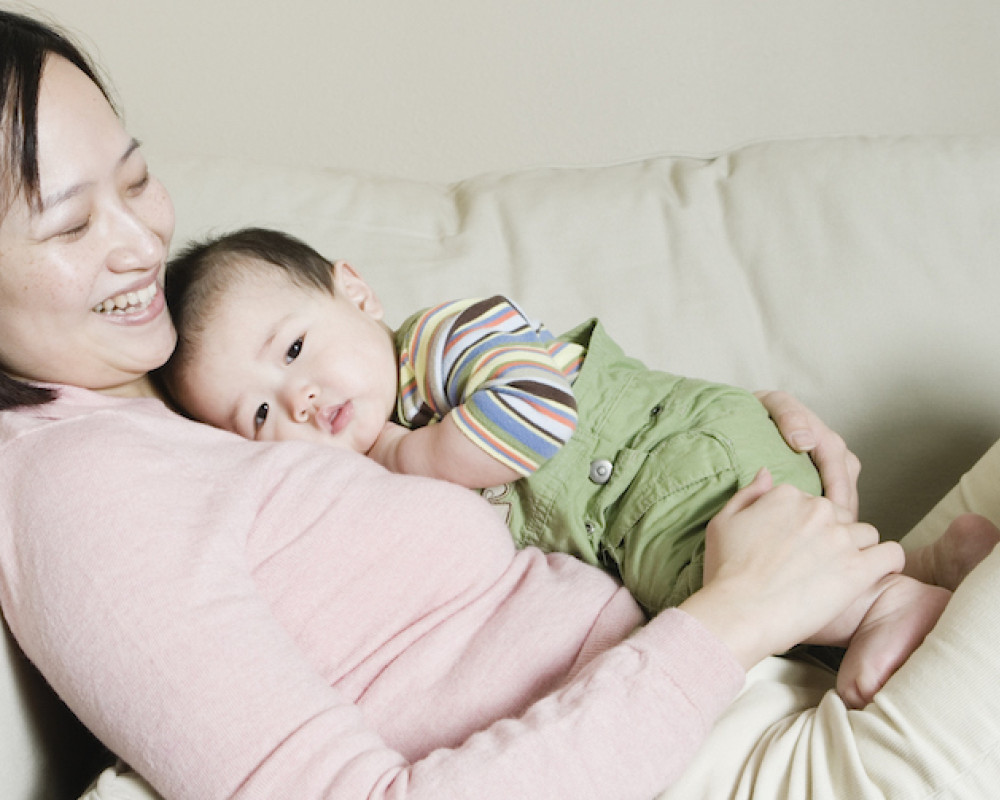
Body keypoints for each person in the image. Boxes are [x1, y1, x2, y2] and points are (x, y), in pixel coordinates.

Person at [0, 9, 998, 800]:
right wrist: (741, 608)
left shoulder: (158, 391)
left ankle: (895, 581)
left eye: (137, 177)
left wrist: (744, 441)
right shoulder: (70, 489)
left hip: (742, 684)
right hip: (716, 762)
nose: (139, 241)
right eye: (71, 224)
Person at [156, 226, 990, 709]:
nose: (299, 397)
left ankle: (889, 602)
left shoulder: (439, 344)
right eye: (258, 414)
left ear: (357, 293)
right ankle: (924, 566)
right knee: (735, 622)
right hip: (635, 518)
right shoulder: (356, 469)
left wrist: (417, 454)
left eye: (294, 349)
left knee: (727, 579)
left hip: (667, 467)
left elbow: (539, 411)